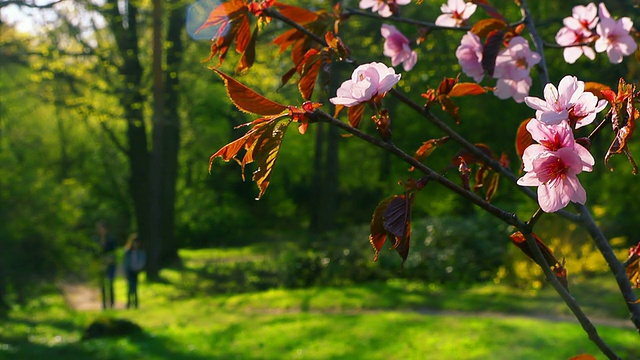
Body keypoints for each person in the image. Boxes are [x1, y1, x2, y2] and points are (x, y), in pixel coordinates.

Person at [94, 220, 117, 310]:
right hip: (100, 265)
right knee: (102, 285)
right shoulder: (95, 240)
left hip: (110, 264)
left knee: (110, 284)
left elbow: (113, 252)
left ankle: (111, 303)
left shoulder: (111, 240)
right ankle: (104, 304)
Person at [123, 233, 146, 309]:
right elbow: (125, 263)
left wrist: (138, 268)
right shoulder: (128, 252)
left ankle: (136, 303)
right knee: (129, 288)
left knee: (135, 288)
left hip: (136, 271)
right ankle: (129, 303)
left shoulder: (141, 252)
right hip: (129, 271)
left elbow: (142, 262)